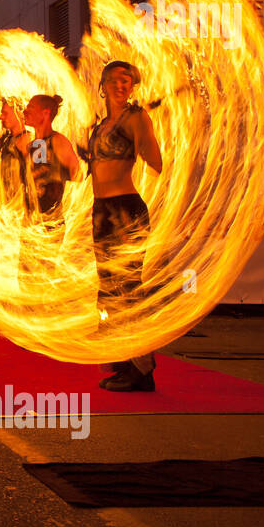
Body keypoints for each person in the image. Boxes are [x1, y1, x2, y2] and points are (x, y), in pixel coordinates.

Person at [84, 61, 163, 392]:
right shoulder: (98, 126)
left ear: (133, 87)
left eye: (127, 81)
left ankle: (143, 371)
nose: (121, 85)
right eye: (114, 80)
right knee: (108, 291)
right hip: (102, 211)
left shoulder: (135, 118)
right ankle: (121, 362)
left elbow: (156, 162)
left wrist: (143, 136)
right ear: (102, 85)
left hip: (126, 212)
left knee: (127, 291)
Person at [1, 94, 80, 219]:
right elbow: (37, 174)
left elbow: (78, 175)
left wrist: (58, 174)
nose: (25, 112)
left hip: (50, 224)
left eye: (30, 108)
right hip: (32, 221)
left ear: (45, 113)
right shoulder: (37, 144)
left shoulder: (57, 140)